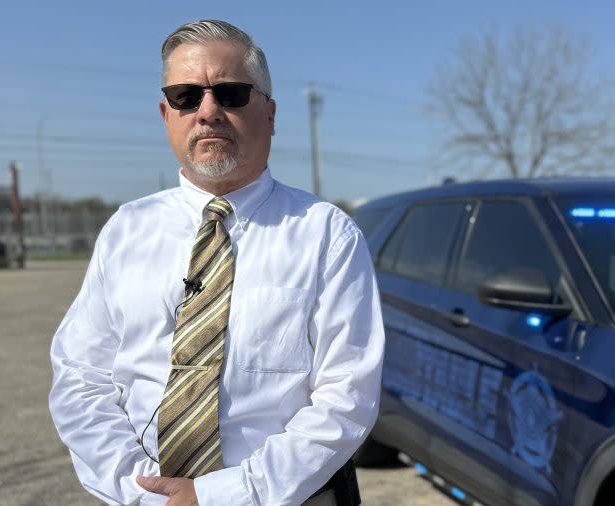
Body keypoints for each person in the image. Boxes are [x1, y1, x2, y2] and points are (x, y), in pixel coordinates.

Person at [48, 19, 384, 506]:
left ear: (269, 112)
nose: (208, 112)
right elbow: (81, 374)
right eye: (186, 96)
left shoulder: (326, 233)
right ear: (166, 114)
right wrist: (142, 490)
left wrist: (222, 495)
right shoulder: (127, 229)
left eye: (230, 93)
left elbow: (347, 396)